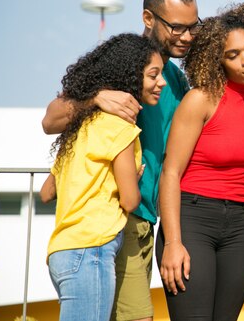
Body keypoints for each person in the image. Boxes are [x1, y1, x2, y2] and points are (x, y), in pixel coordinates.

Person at [42, 0, 200, 321]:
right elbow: (50, 120)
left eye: (193, 27)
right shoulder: (123, 71)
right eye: (177, 27)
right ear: (148, 18)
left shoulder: (172, 79)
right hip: (117, 219)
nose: (187, 36)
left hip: (147, 220)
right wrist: (95, 97)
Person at [155, 1, 244, 321]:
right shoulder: (201, 98)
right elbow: (171, 173)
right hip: (192, 220)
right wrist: (173, 243)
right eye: (233, 55)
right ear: (217, 61)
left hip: (240, 226)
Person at [41, 33, 166, 321]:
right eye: (153, 75)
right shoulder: (120, 129)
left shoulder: (78, 130)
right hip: (92, 250)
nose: (162, 82)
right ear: (130, 77)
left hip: (61, 252)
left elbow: (47, 193)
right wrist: (132, 176)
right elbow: (131, 200)